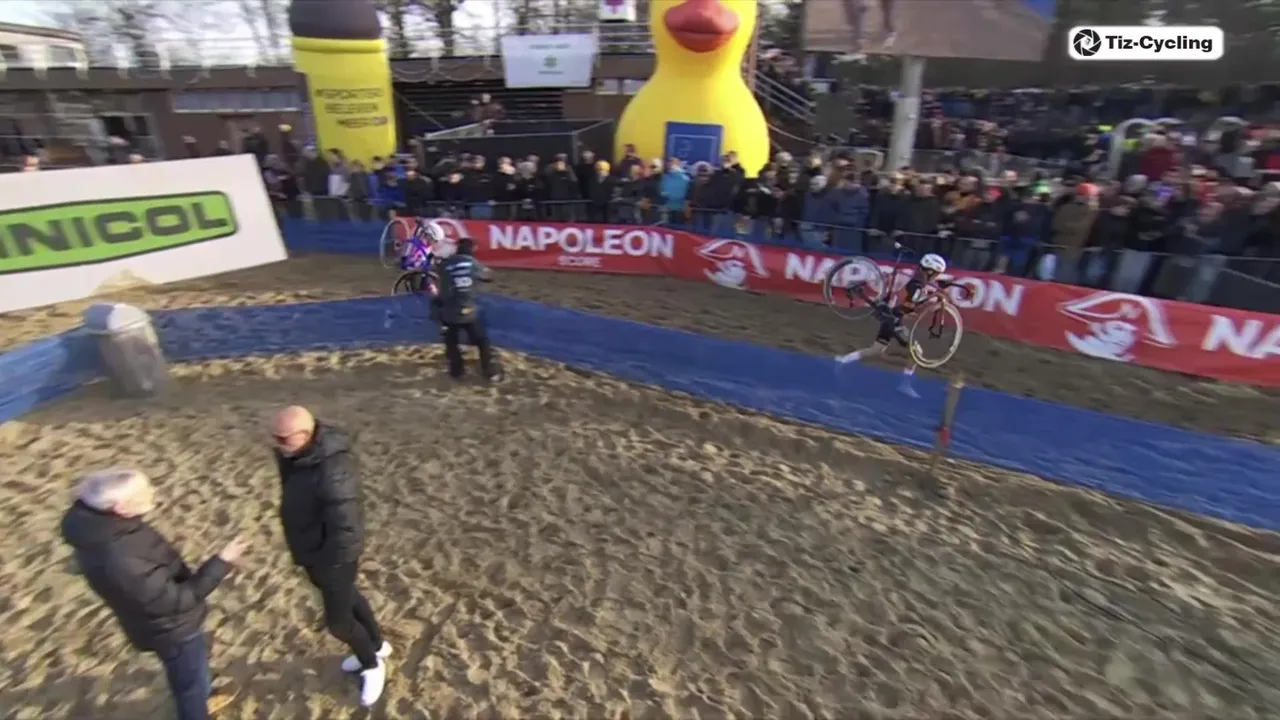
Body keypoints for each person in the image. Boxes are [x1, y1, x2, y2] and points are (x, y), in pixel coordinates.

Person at [61, 468, 247, 720]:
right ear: (121, 507)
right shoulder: (119, 558)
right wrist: (222, 562)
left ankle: (205, 695)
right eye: (144, 493)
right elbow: (177, 600)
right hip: (171, 628)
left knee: (194, 667)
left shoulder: (107, 528)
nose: (153, 493)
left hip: (161, 621)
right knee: (189, 686)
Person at [271, 406, 388, 708]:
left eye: (284, 438)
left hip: (332, 557)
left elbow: (346, 527)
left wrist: (329, 563)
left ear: (305, 435)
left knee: (339, 623)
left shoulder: (332, 471)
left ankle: (372, 665)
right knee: (350, 596)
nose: (278, 444)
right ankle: (377, 644)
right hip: (313, 550)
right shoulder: (295, 457)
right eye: (275, 437)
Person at [834, 252, 967, 398]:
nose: (936, 277)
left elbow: (911, 301)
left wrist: (934, 293)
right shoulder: (917, 285)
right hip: (894, 320)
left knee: (876, 349)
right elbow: (913, 305)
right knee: (917, 352)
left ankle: (843, 360)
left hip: (890, 318)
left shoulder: (917, 281)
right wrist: (933, 297)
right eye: (936, 274)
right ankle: (904, 384)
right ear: (930, 272)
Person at [434, 237, 502, 382]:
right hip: (469, 310)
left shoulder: (446, 264)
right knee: (481, 340)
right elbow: (489, 276)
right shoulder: (474, 264)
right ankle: (489, 371)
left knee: (451, 340)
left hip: (450, 312)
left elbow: (441, 282)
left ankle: (457, 371)